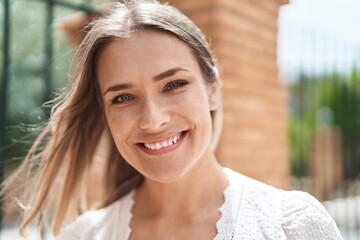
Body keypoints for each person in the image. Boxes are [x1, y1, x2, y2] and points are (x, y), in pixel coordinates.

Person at [2, 0, 343, 239]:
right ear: (105, 113)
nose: (152, 120)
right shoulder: (86, 235)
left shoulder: (293, 226)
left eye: (174, 85)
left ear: (213, 88)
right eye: (123, 97)